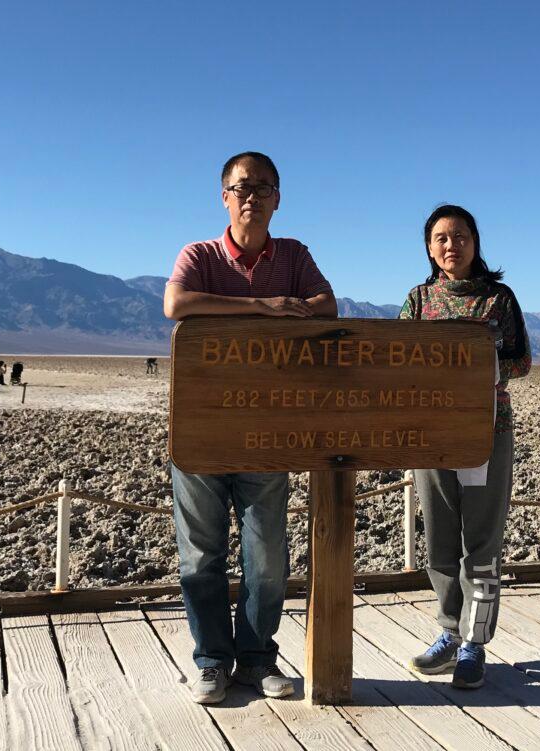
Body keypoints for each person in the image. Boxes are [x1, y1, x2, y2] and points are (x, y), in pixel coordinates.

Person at [164, 151, 336, 704]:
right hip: (203, 428)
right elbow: (177, 303)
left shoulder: (294, 255)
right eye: (242, 188)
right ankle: (211, 660)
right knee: (201, 554)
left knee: (267, 556)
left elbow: (327, 304)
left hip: (269, 428)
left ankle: (259, 659)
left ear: (278, 199)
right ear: (224, 197)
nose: (252, 198)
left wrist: (290, 307)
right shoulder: (201, 255)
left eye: (263, 189)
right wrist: (265, 307)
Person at [399, 204, 531, 690]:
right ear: (429, 248)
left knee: (481, 540)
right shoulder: (418, 300)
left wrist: (476, 364)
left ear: (476, 243)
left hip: (485, 432)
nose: (450, 245)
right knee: (439, 538)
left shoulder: (499, 299)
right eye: (440, 238)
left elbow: (520, 362)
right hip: (431, 434)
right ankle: (448, 632)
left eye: (459, 236)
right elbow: (399, 361)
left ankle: (475, 643)